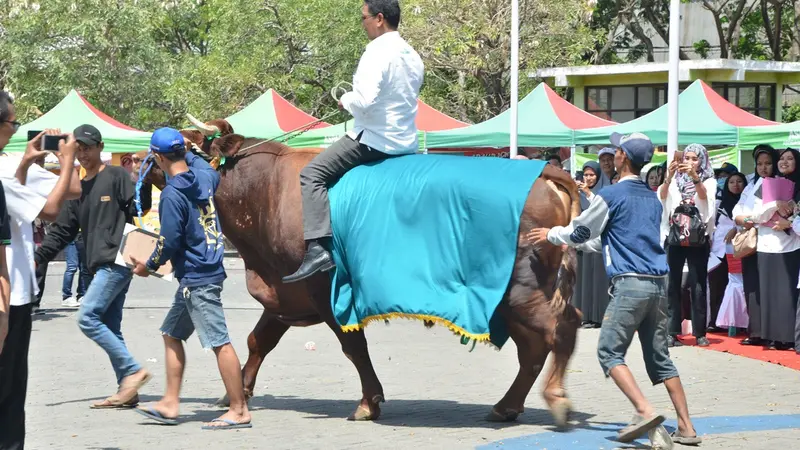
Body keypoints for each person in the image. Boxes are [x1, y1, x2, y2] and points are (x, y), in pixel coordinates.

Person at [526, 132, 700, 445]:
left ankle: (644, 411)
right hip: (659, 285)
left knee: (609, 352)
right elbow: (613, 239)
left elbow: (580, 231)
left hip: (630, 285)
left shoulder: (612, 195)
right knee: (660, 359)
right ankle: (686, 427)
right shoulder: (650, 197)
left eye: (616, 151)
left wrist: (551, 234)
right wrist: (578, 243)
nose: (611, 156)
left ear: (622, 157)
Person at [283, 0, 424, 283]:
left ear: (380, 18)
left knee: (312, 174)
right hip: (406, 141)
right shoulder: (412, 54)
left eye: (364, 18)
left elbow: (364, 102)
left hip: (374, 139)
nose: (363, 24)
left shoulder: (376, 52)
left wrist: (344, 99)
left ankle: (318, 248)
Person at [128, 128, 251, 430]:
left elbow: (169, 241)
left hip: (198, 277)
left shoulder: (172, 194)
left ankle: (238, 409)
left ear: (156, 156)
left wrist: (149, 264)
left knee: (219, 342)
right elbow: (197, 164)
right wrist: (192, 150)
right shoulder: (205, 178)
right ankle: (170, 403)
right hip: (204, 272)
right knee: (171, 333)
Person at [35, 124, 153, 409]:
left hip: (118, 261)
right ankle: (128, 389)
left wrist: (143, 179)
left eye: (88, 147)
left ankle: (134, 371)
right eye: (78, 149)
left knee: (87, 317)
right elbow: (63, 231)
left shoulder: (115, 176)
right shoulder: (76, 188)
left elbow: (139, 207)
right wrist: (38, 258)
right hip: (96, 266)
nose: (83, 153)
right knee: (111, 326)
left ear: (100, 147)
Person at [0, 91, 81, 450]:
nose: (16, 129)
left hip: (15, 285)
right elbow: (48, 211)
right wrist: (66, 161)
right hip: (11, 294)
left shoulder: (9, 168)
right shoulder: (2, 174)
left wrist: (29, 164)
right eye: (13, 123)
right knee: (10, 390)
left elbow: (70, 191)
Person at [659, 143, 717, 347]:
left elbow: (705, 199)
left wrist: (695, 177)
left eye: (695, 158)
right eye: (688, 158)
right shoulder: (674, 179)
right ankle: (671, 331)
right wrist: (668, 176)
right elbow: (662, 196)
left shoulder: (708, 180)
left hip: (697, 236)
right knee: (672, 283)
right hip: (675, 235)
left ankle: (700, 332)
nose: (690, 162)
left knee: (698, 283)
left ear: (702, 160)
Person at [733, 145, 778, 346]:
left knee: (768, 288)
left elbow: (766, 211)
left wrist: (749, 217)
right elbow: (738, 210)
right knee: (751, 286)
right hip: (751, 240)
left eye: (768, 163)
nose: (763, 167)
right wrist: (742, 219)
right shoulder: (751, 184)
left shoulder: (779, 183)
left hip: (772, 243)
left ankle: (772, 333)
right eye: (759, 164)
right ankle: (756, 331)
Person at [574, 161, 610, 328]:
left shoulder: (603, 192)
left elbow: (602, 210)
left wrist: (588, 193)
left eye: (592, 175)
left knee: (598, 281)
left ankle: (598, 317)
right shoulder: (579, 194)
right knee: (583, 280)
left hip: (598, 242)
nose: (588, 178)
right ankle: (584, 315)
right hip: (582, 242)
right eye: (586, 175)